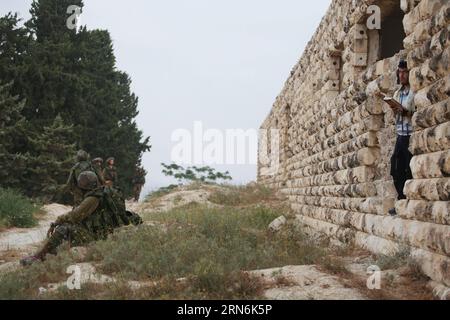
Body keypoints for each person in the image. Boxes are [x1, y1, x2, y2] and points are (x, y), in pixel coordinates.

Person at [20, 171, 143, 266]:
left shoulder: (93, 198)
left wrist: (57, 221)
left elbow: (74, 216)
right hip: (109, 231)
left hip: (98, 236)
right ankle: (53, 250)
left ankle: (39, 257)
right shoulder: (107, 192)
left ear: (83, 186)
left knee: (64, 228)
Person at [384, 60, 416, 216]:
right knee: (395, 168)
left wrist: (405, 111)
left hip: (410, 135)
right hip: (400, 135)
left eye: (404, 72)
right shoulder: (397, 93)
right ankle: (402, 200)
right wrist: (394, 108)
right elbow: (395, 115)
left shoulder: (414, 92)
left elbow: (416, 112)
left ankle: (409, 203)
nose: (402, 75)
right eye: (400, 72)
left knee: (409, 168)